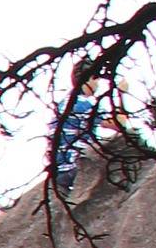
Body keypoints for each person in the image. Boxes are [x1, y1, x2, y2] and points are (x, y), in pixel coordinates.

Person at [51, 56, 120, 191]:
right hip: (75, 167)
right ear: (88, 79)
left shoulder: (63, 103)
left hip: (58, 171)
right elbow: (118, 125)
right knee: (125, 143)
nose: (98, 83)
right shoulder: (86, 104)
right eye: (96, 78)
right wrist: (122, 94)